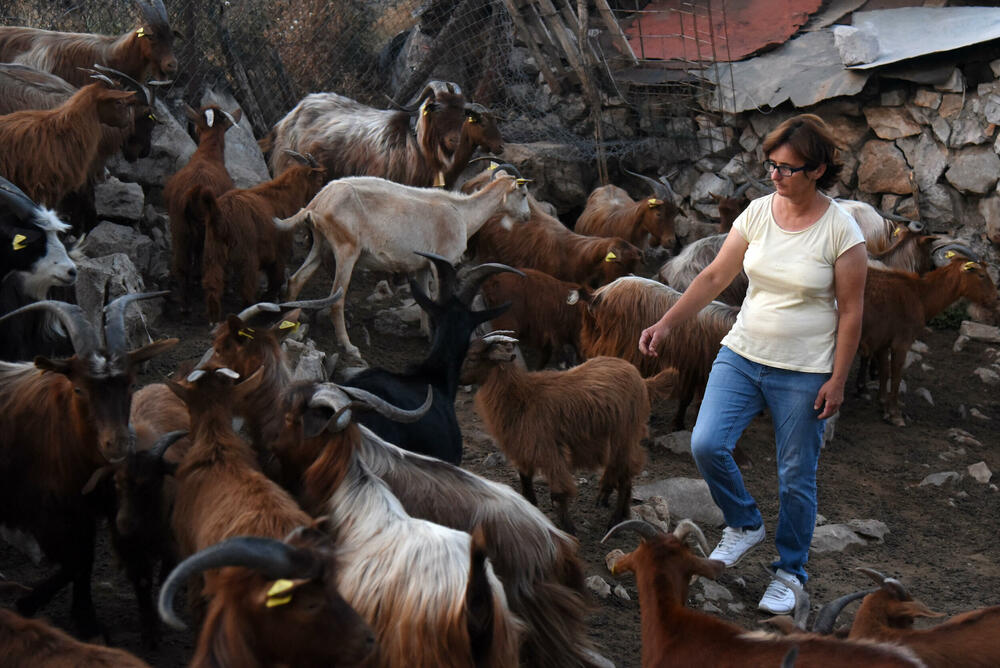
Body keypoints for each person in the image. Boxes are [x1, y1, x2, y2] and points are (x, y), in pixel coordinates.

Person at [638, 114, 867, 614]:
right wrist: (669, 323)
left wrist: (838, 379)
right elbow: (716, 274)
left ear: (817, 169)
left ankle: (790, 572)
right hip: (742, 353)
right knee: (706, 443)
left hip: (805, 370)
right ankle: (743, 523)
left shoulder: (841, 231)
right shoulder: (759, 212)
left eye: (787, 168)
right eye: (771, 165)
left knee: (795, 474)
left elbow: (851, 312)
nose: (775, 175)